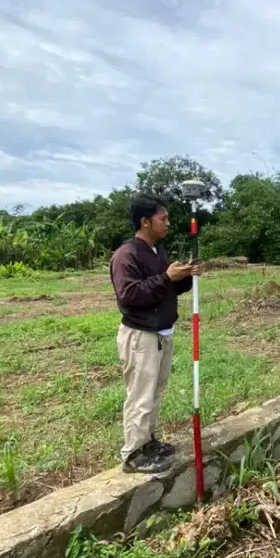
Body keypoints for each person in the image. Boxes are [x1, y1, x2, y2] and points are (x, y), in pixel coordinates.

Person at [109, 195, 197, 473]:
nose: (168, 223)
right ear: (145, 222)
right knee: (140, 395)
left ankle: (147, 441)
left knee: (155, 392)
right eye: (163, 218)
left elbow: (165, 289)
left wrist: (186, 277)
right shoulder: (127, 255)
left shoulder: (158, 252)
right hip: (141, 336)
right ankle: (133, 454)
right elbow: (129, 295)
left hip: (161, 333)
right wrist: (167, 277)